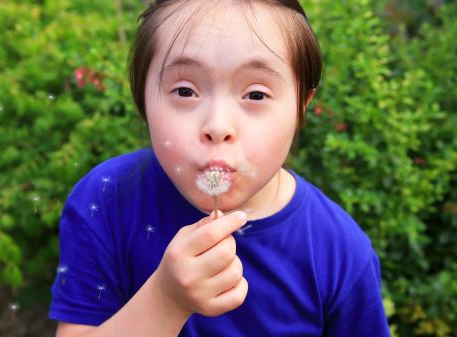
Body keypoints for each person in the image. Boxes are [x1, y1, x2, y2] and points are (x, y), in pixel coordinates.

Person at [48, 0, 391, 336]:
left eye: (255, 95)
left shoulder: (340, 252)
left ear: (302, 106)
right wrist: (165, 301)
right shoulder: (106, 199)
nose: (218, 125)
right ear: (143, 100)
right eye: (185, 90)